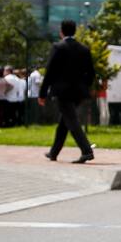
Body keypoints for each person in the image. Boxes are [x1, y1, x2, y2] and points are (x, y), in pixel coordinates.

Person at [39, 20, 96, 163]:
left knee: (72, 121)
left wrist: (42, 93)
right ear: (75, 31)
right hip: (78, 92)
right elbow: (91, 74)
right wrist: (84, 87)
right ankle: (54, 152)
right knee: (64, 122)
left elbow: (50, 72)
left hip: (62, 91)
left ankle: (86, 150)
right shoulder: (84, 49)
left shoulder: (58, 47)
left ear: (61, 31)